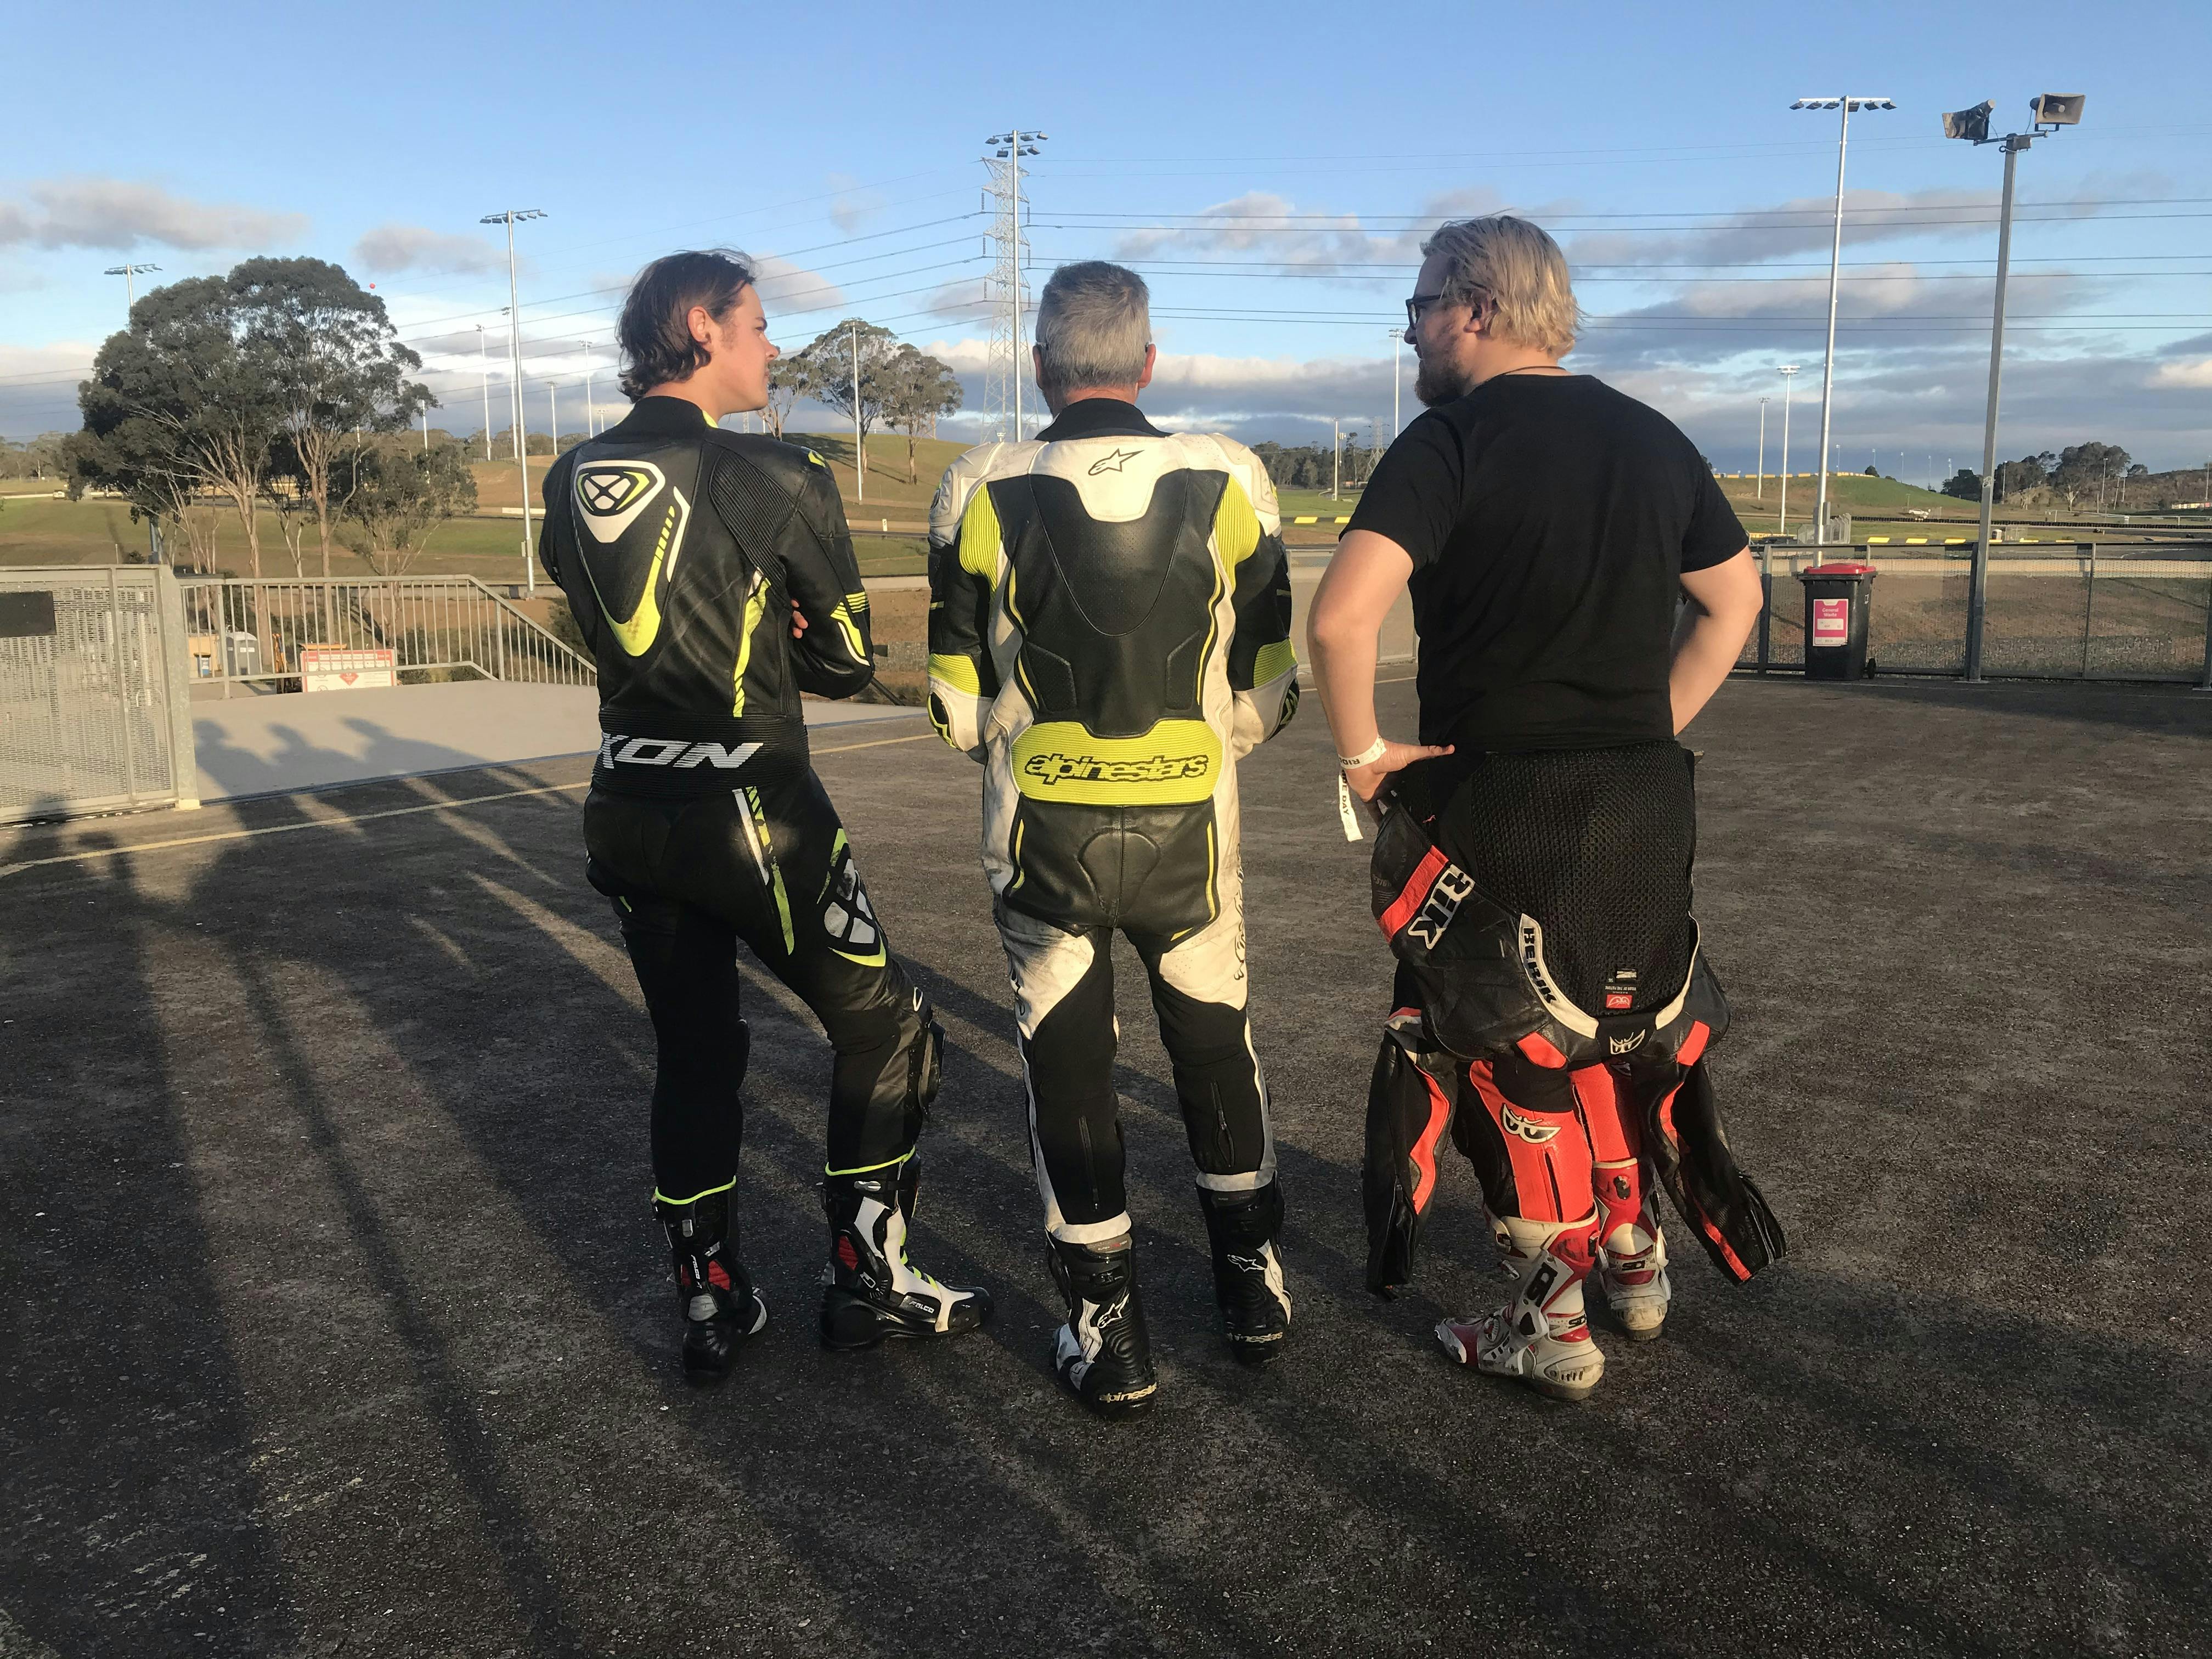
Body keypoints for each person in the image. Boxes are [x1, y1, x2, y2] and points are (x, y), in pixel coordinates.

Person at [1306, 216, 1785, 1402]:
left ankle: (1548, 1321)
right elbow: (1737, 603)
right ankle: (1635, 1258)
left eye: (1418, 306)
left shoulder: (1450, 439)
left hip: (1499, 801)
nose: (1410, 329)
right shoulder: (1654, 438)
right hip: (1642, 805)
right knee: (1621, 1028)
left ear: (1475, 306)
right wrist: (1644, 728)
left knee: (1502, 1053)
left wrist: (1366, 758)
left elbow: (1339, 619)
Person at [538, 249, 989, 1386]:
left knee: (696, 1056)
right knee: (889, 1030)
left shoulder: (569, 473)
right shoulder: (776, 474)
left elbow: (607, 628)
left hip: (625, 802)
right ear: (701, 326)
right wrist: (792, 626)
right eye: (760, 324)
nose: (773, 346)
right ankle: (872, 1280)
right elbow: (842, 663)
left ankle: (712, 1300)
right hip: (755, 807)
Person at [926, 261, 1301, 1417]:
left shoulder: (980, 486)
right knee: (1213, 1042)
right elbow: (1271, 680)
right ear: (1150, 361)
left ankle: (1109, 1333)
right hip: (1193, 827)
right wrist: (1206, 744)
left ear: (1042, 365)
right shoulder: (1232, 475)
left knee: (1069, 1067)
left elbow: (949, 699)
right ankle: (1252, 1287)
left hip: (1044, 834)